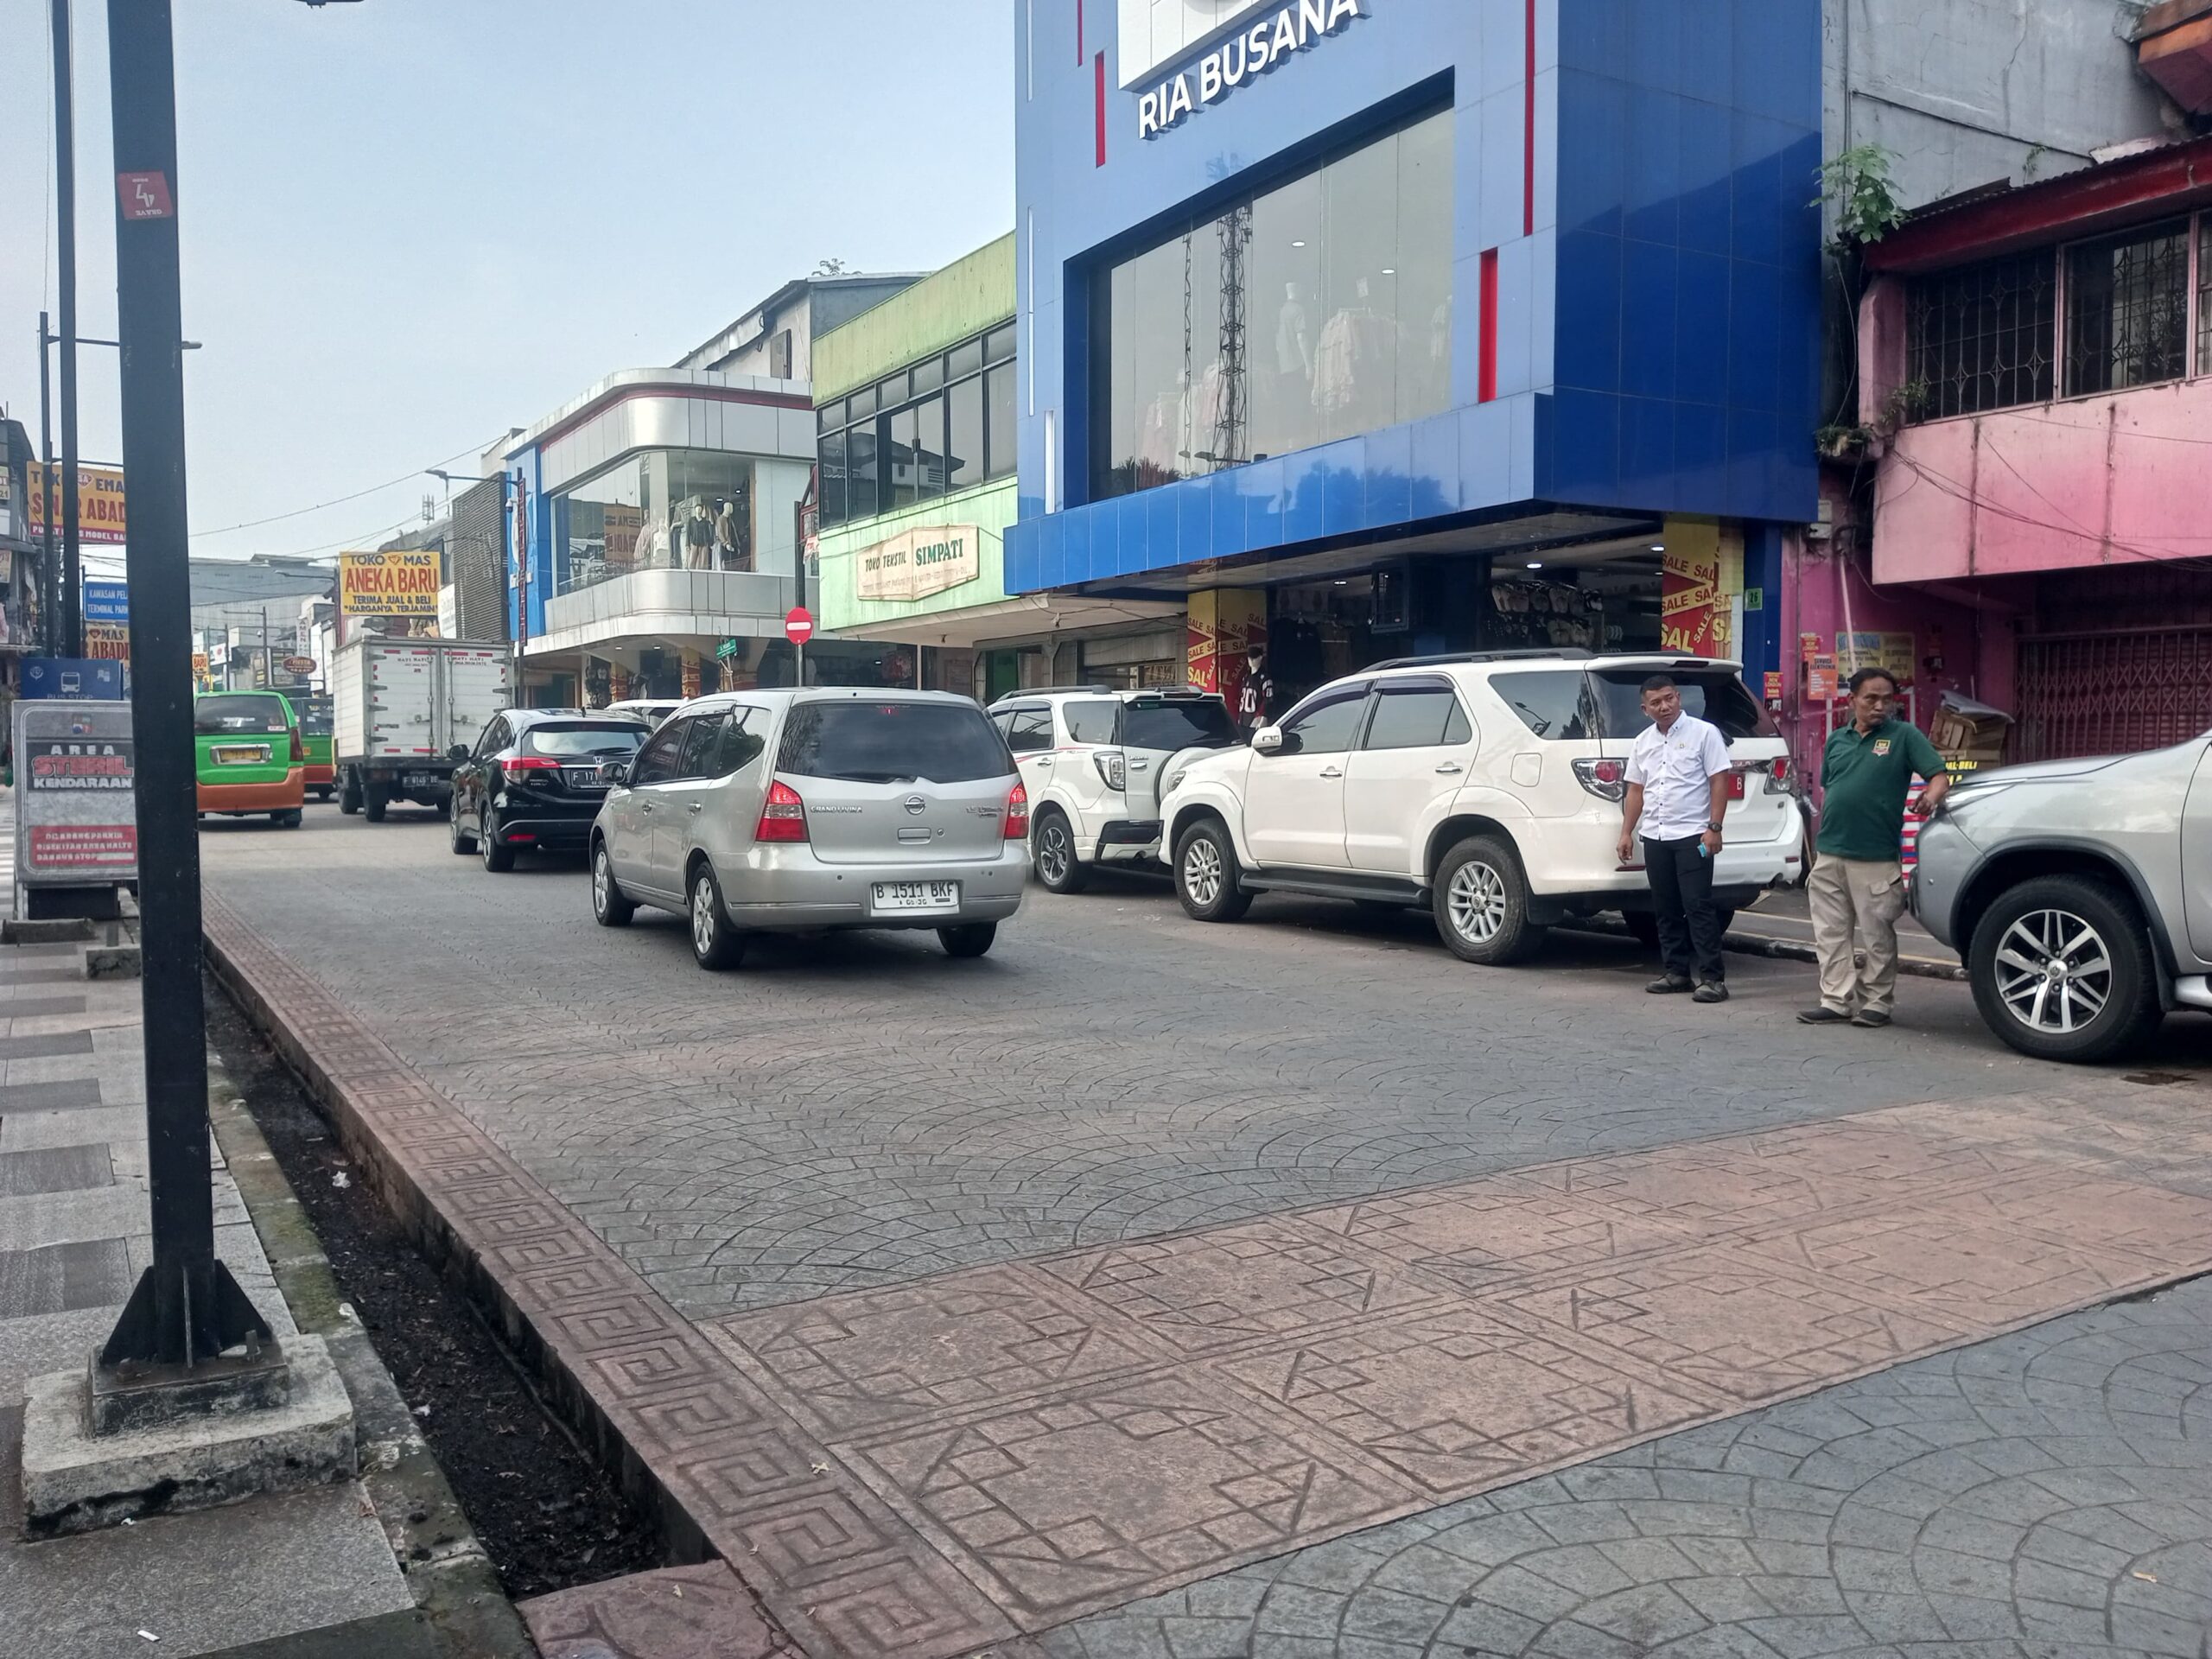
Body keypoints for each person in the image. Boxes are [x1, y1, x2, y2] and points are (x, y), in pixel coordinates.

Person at [1800, 667, 1951, 1029]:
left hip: (1875, 857)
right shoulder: (1837, 740)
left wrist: (1930, 798)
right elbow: (1831, 789)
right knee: (1830, 934)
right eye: (1871, 698)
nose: (1880, 706)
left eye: (1887, 699)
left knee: (1877, 935)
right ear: (1852, 699)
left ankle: (1877, 1003)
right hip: (1829, 853)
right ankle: (1835, 1000)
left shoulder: (1904, 736)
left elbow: (1939, 777)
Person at [1617, 675, 1734, 1003]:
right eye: (1656, 702)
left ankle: (1713, 979)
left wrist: (1714, 827)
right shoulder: (1642, 742)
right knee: (1665, 907)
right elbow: (1636, 790)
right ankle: (1676, 972)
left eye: (1669, 698)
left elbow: (1719, 780)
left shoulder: (1704, 733)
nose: (1664, 706)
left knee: (1698, 906)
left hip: (1693, 835)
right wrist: (1626, 832)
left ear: (1678, 698)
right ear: (1645, 709)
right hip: (1656, 835)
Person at [1236, 644, 1274, 740]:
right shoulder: (1246, 677)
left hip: (1255, 721)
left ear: (1260, 658)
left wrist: (1263, 719)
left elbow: (1268, 700)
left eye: (1254, 658)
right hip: (1243, 721)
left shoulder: (1265, 678)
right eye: (1249, 658)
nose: (1251, 660)